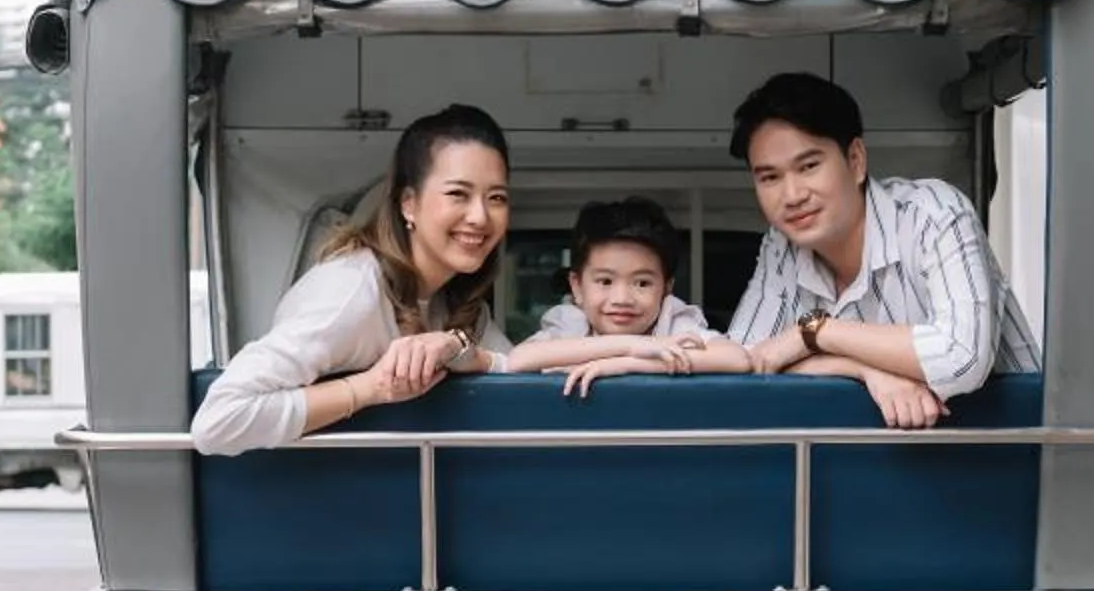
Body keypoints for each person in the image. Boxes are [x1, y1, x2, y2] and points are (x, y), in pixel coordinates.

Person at [190, 104, 516, 456]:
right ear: (409, 204)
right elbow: (218, 421)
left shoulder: (458, 305)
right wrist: (369, 388)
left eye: (496, 198)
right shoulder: (350, 290)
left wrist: (462, 349)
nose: (480, 216)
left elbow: (518, 367)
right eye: (458, 194)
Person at [721, 72, 1040, 430]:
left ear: (855, 160)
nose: (793, 195)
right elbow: (747, 364)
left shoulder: (933, 214)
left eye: (809, 166)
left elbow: (962, 359)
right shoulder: (782, 246)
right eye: (770, 177)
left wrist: (813, 334)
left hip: (1014, 454)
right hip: (883, 466)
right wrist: (862, 370)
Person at [504, 197, 756, 396]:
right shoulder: (570, 324)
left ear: (666, 289)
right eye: (605, 281)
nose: (622, 298)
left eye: (642, 283)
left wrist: (630, 363)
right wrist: (634, 345)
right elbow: (518, 359)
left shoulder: (673, 323)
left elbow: (737, 359)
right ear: (577, 287)